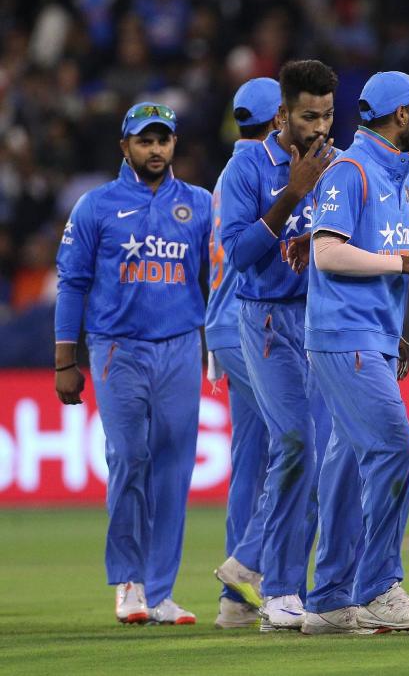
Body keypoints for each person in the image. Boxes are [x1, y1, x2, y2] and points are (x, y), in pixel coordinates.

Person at [297, 71, 409, 634]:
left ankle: (326, 598)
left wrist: (391, 324)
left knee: (347, 466)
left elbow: (364, 254)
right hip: (344, 339)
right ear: (400, 116)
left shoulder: (390, 176)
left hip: (367, 336)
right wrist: (408, 264)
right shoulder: (353, 170)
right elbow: (327, 255)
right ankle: (377, 586)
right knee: (395, 450)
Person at [54, 102, 212, 625]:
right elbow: (73, 283)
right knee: (128, 456)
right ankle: (128, 581)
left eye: (163, 139)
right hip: (117, 347)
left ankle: (161, 592)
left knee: (172, 470)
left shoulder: (199, 204)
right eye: (145, 140)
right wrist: (64, 360)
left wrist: (225, 343)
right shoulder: (95, 207)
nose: (156, 149)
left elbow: (219, 277)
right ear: (125, 146)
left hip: (181, 346)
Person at [219, 60, 338, 632]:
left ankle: (276, 585)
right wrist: (291, 196)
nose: (319, 127)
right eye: (308, 116)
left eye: (327, 114)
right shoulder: (246, 168)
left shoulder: (337, 164)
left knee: (313, 456)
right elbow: (239, 256)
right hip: (265, 319)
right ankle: (278, 583)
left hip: (321, 321)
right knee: (294, 440)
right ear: (282, 115)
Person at [206, 77, 280, 629]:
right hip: (252, 324)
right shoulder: (266, 173)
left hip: (224, 325)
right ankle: (260, 569)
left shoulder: (225, 177)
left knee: (252, 460)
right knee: (301, 445)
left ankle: (235, 605)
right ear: (279, 119)